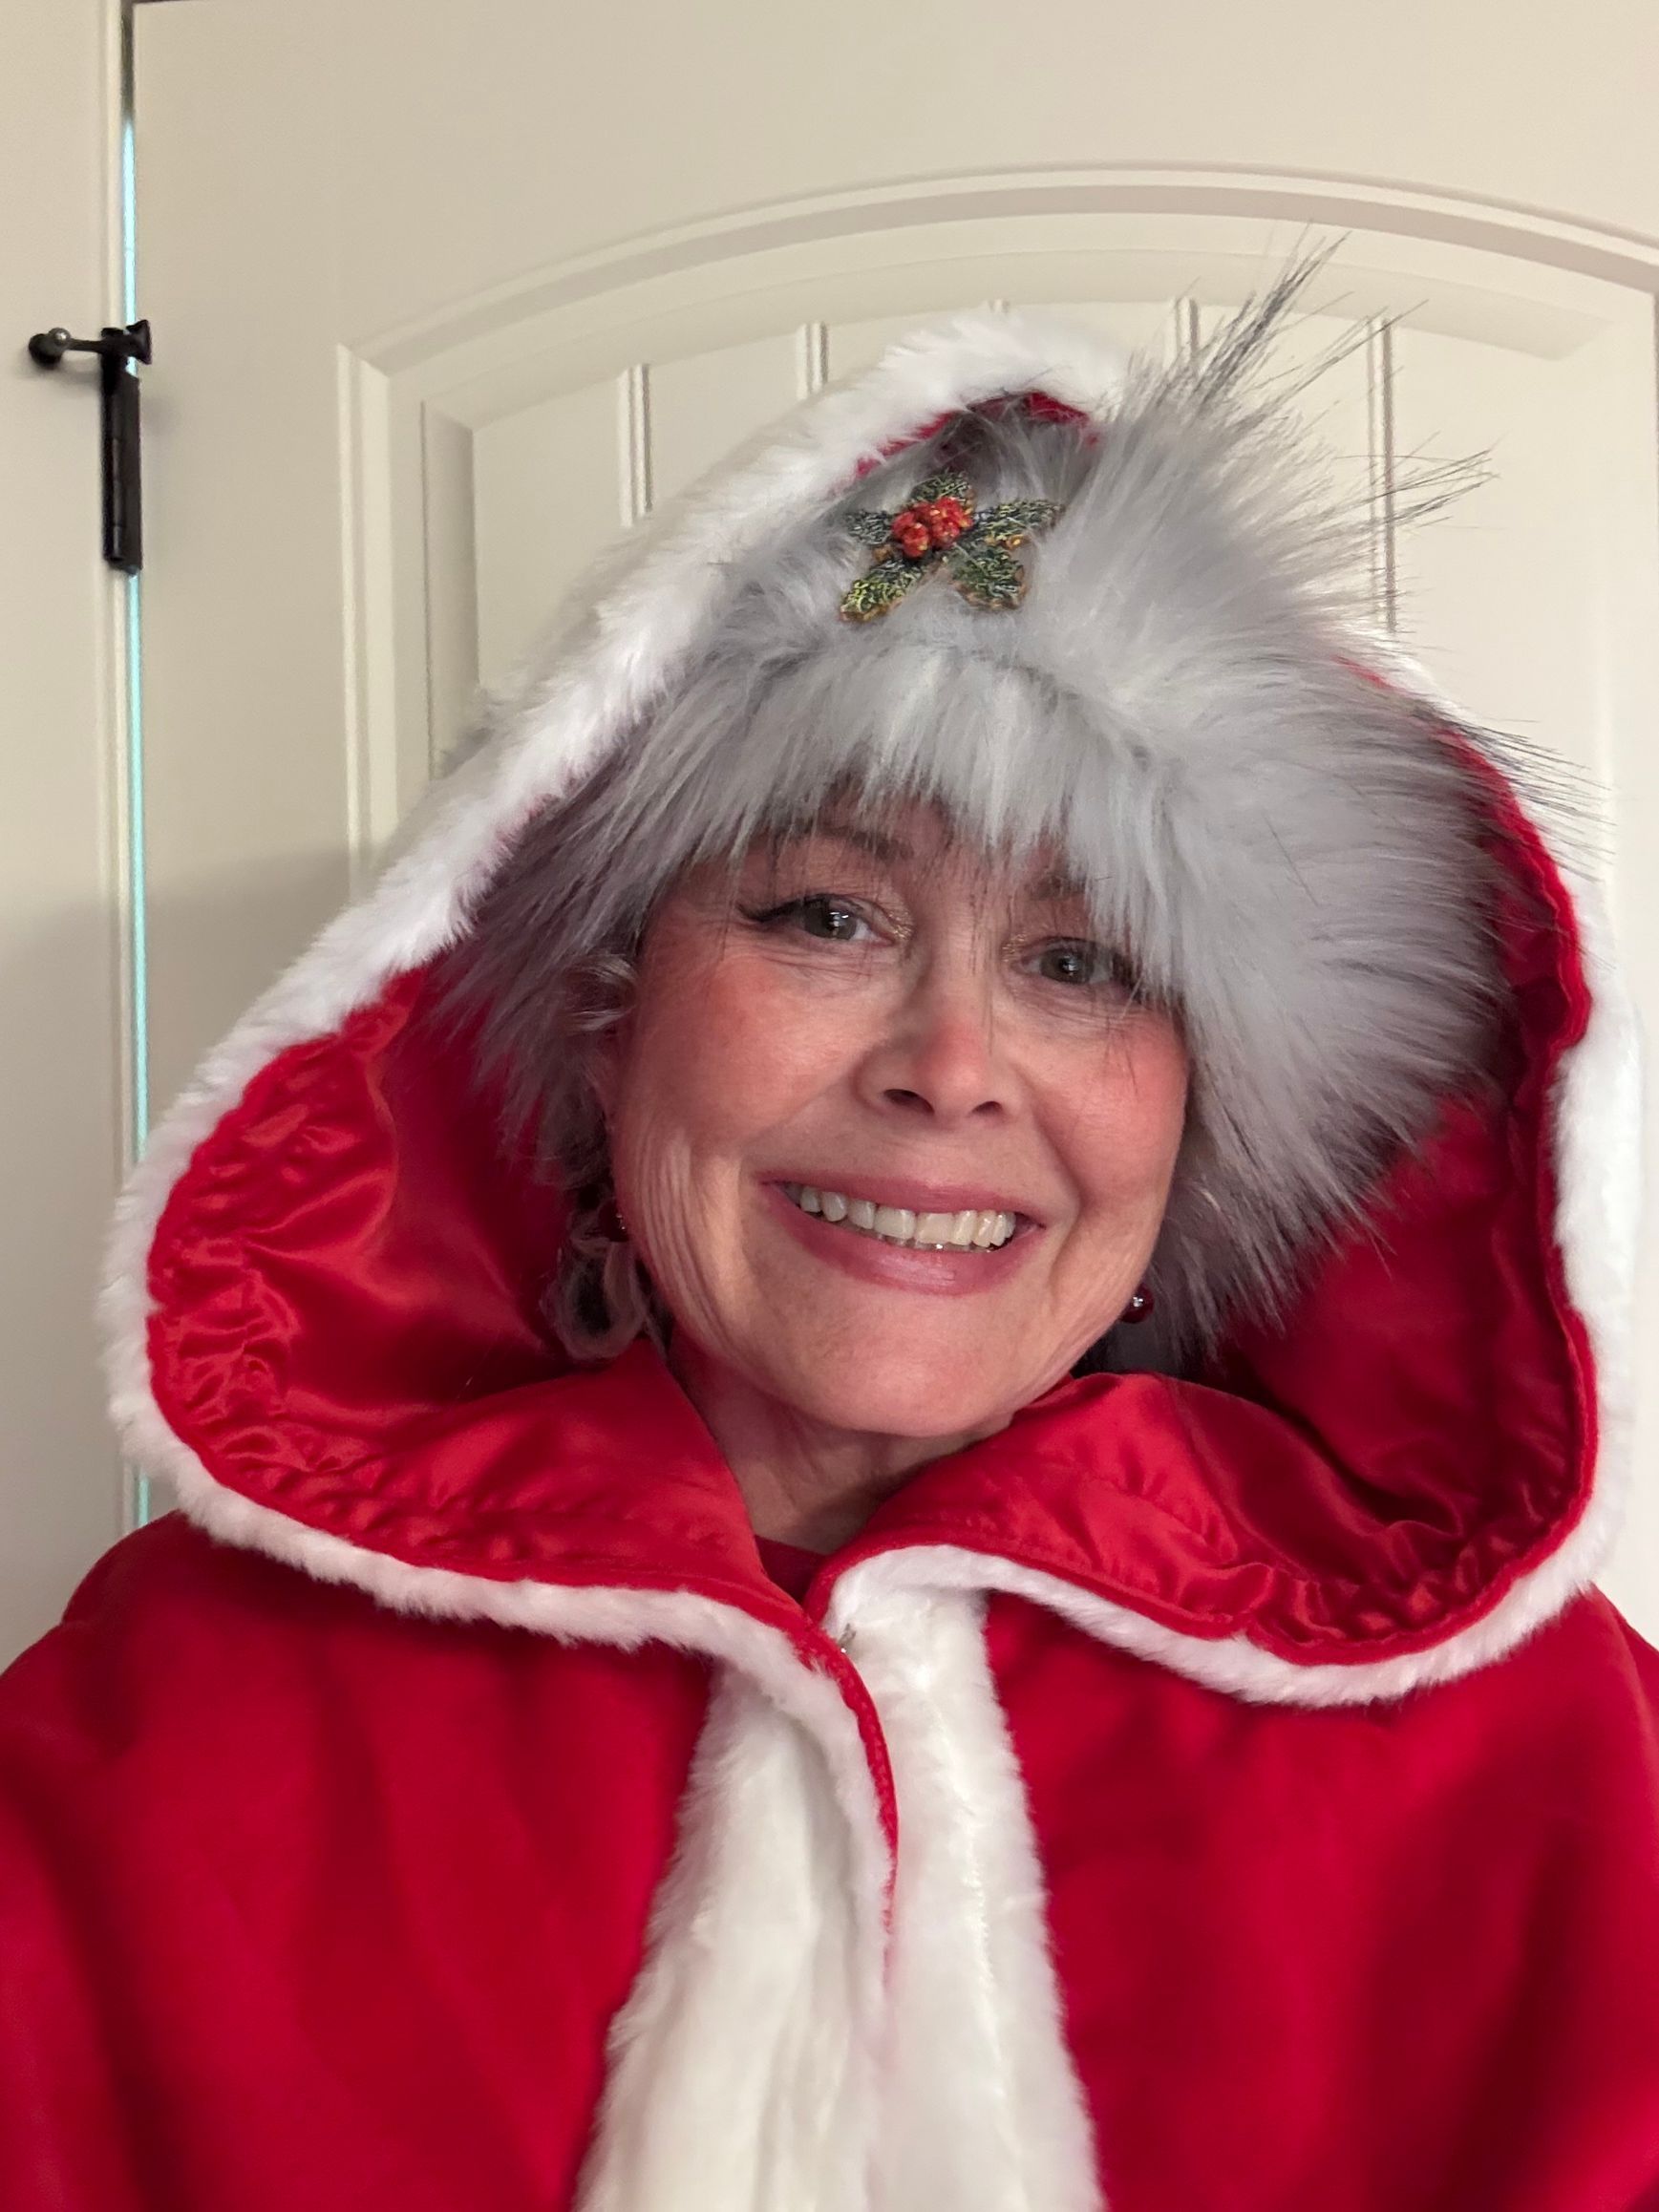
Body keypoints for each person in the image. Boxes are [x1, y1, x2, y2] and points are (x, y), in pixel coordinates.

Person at [2, 271, 1657, 2212]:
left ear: (1203, 1123)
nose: (952, 1068)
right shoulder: (170, 1728)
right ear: (602, 1021)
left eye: (1081, 962)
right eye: (824, 919)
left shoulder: (1546, 1760)